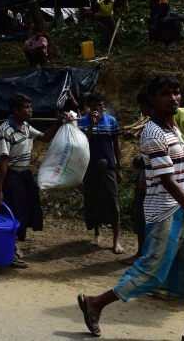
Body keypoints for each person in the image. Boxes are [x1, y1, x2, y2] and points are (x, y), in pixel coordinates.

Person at [76, 75, 184, 340]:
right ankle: (95, 302)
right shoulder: (152, 134)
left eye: (176, 92)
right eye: (165, 93)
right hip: (165, 212)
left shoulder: (174, 130)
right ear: (152, 100)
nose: (173, 98)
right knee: (152, 271)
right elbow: (168, 182)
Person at [0, 93, 69, 268]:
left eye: (30, 106)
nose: (31, 110)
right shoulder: (6, 130)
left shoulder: (26, 127)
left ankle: (12, 246)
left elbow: (45, 138)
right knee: (12, 214)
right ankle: (9, 253)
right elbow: (3, 164)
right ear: (16, 110)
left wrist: (58, 122)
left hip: (24, 176)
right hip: (12, 177)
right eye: (26, 107)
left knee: (26, 211)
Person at [78, 92, 124, 254]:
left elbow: (116, 145)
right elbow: (82, 142)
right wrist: (91, 125)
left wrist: (119, 167)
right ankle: (97, 233)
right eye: (94, 106)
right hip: (89, 167)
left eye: (100, 105)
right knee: (93, 200)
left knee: (112, 202)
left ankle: (116, 240)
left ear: (103, 106)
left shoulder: (111, 121)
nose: (97, 109)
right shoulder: (82, 122)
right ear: (89, 106)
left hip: (108, 167)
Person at [121, 91, 152, 266]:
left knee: (141, 215)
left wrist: (145, 182)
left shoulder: (152, 128)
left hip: (149, 180)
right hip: (151, 178)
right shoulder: (166, 126)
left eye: (141, 105)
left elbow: (153, 160)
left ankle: (142, 254)